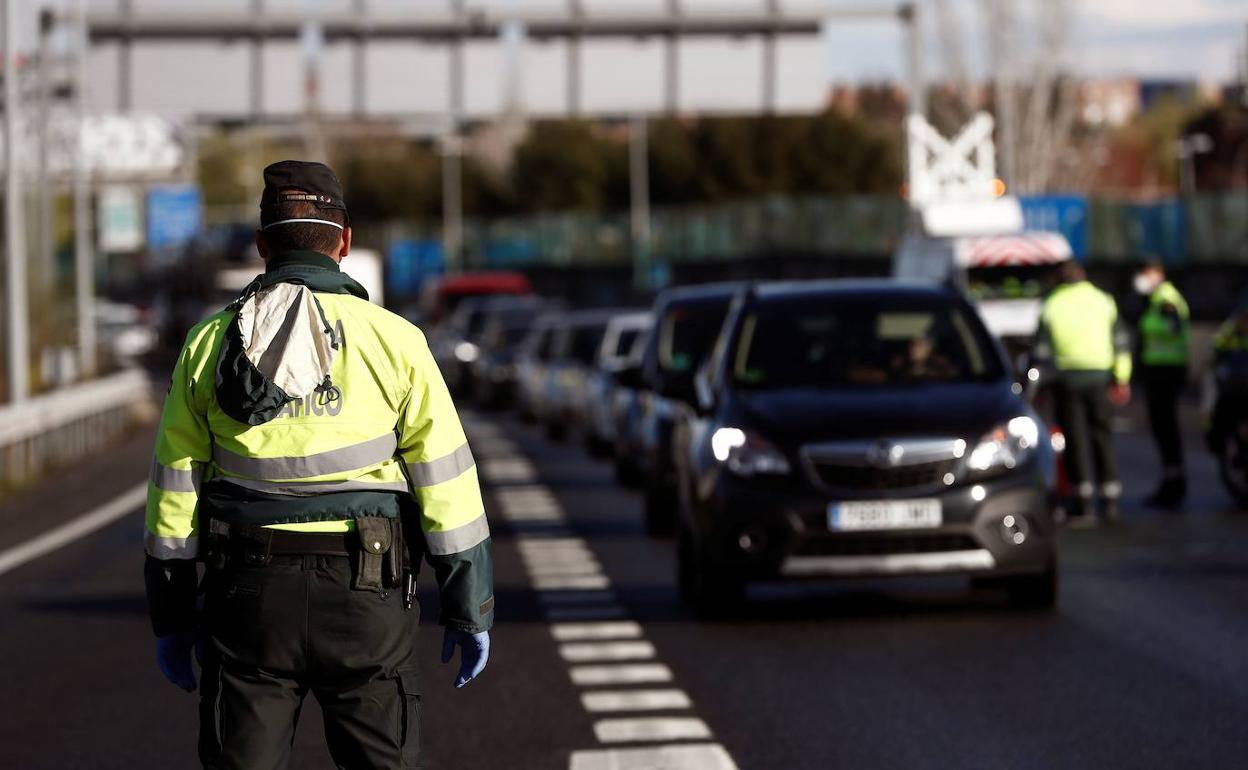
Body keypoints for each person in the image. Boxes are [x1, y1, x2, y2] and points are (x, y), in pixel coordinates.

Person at [144, 160, 493, 769]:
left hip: (246, 595)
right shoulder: (398, 340)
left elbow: (175, 497)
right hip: (368, 590)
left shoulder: (207, 345)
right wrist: (469, 607)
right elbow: (447, 486)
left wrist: (171, 616)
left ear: (261, 244)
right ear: (345, 243)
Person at [1036, 261, 1132, 526]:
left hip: (1067, 379)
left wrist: (1041, 386)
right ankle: (1110, 496)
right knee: (1102, 435)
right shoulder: (1103, 301)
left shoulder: (1052, 304)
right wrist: (1121, 378)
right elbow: (1120, 343)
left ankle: (1083, 500)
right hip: (1100, 377)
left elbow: (1042, 352)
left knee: (1075, 439)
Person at [1134, 263, 1190, 508]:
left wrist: (1146, 324)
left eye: (1147, 274)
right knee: (1162, 428)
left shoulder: (1166, 299)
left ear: (1158, 275)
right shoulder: (1157, 298)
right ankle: (1170, 483)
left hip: (1166, 371)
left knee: (1166, 428)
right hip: (1160, 370)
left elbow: (1173, 328)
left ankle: (1174, 485)